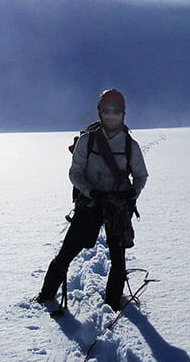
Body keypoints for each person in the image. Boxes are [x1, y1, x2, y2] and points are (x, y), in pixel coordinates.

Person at [36, 88, 148, 311]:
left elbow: (141, 175)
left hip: (117, 207)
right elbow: (75, 173)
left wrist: (132, 194)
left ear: (123, 114)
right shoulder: (87, 141)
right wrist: (90, 192)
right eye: (107, 110)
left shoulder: (130, 145)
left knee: (118, 259)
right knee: (67, 252)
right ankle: (45, 296)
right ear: (100, 112)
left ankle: (112, 305)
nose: (111, 115)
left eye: (116, 111)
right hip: (90, 204)